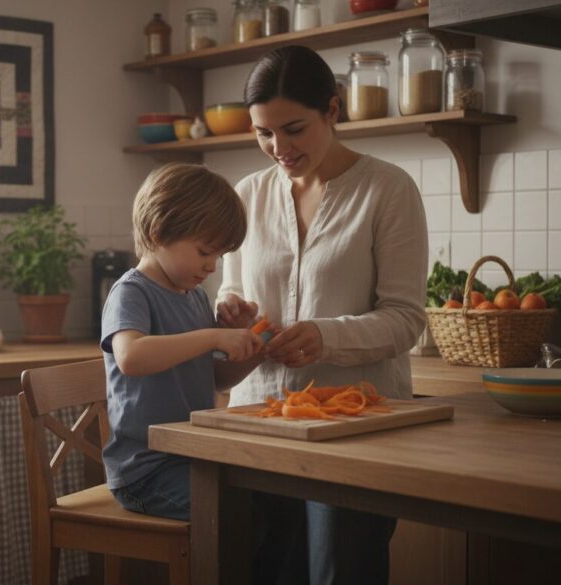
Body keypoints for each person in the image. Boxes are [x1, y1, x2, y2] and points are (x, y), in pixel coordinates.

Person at [216, 45, 429, 584]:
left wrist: (324, 337)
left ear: (332, 110)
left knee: (342, 572)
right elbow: (233, 291)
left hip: (357, 427)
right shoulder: (247, 195)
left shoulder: (388, 189)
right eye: (263, 133)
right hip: (259, 422)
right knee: (261, 570)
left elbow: (406, 318)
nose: (278, 148)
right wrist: (230, 310)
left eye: (294, 129)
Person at [100, 162, 267, 521]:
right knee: (238, 512)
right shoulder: (131, 292)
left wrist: (256, 349)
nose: (212, 267)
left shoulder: (194, 296)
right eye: (204, 251)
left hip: (192, 456)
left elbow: (216, 379)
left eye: (219, 256)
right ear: (159, 232)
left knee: (269, 502)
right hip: (146, 472)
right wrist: (212, 336)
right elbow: (130, 357)